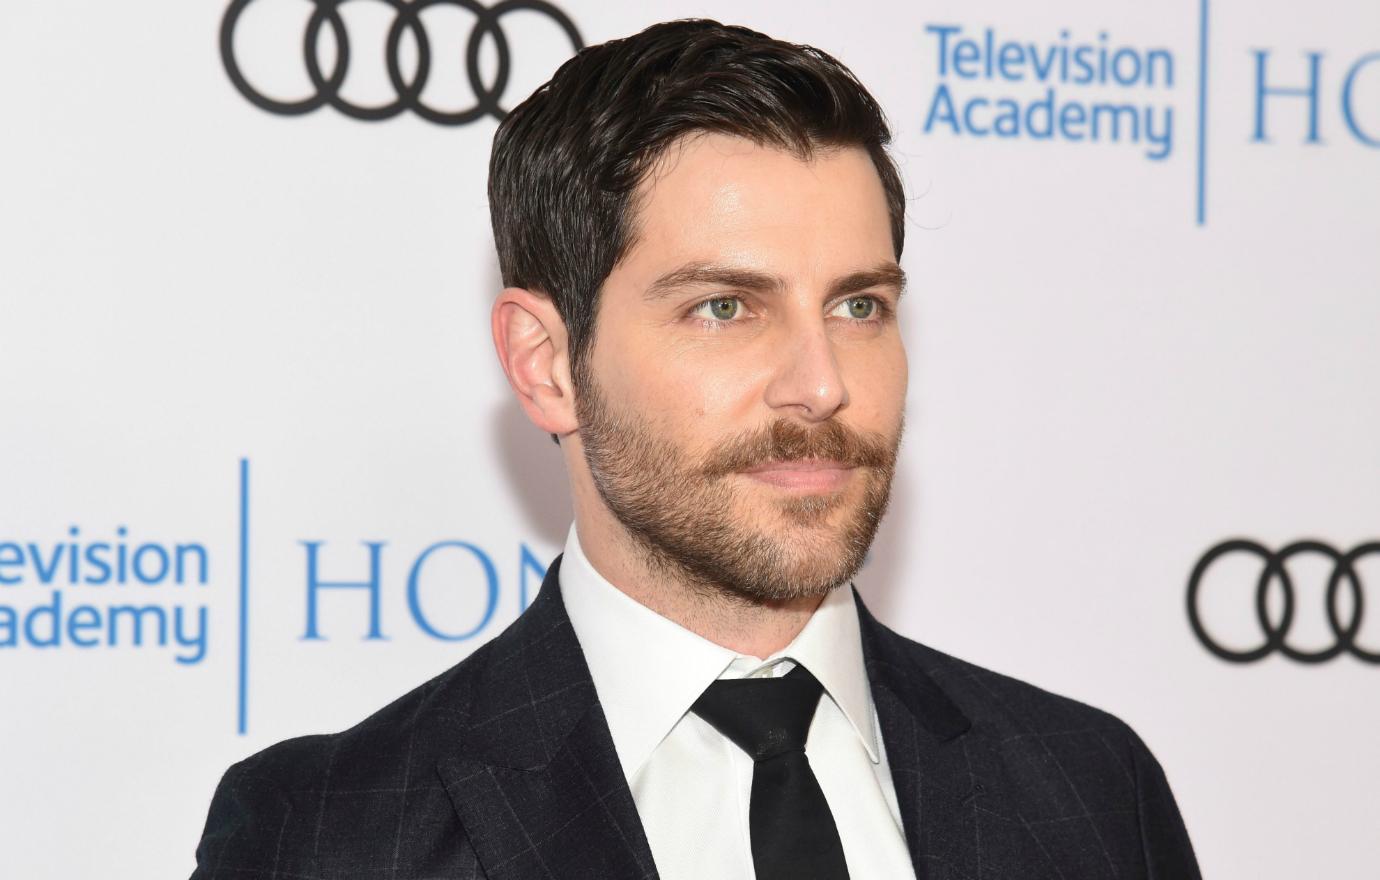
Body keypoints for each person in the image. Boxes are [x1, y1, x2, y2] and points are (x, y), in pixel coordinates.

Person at [191, 19, 1200, 880]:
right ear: (546, 364)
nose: (822, 383)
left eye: (858, 305)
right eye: (725, 307)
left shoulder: (1089, 788)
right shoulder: (331, 834)